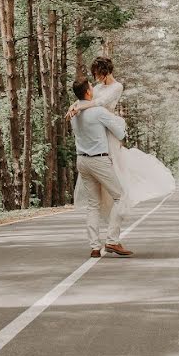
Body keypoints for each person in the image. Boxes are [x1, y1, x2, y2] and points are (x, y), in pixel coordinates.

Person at [67, 57, 176, 219]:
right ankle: (108, 210)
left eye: (97, 73)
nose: (95, 77)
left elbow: (100, 102)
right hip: (97, 129)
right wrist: (72, 107)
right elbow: (81, 99)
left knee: (114, 168)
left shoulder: (117, 87)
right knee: (100, 172)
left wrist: (79, 107)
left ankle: (118, 207)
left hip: (108, 128)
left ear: (106, 71)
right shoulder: (96, 87)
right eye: (94, 74)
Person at [69, 77, 135, 258]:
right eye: (91, 87)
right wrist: (118, 120)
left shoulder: (73, 114)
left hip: (81, 161)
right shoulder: (98, 112)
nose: (94, 88)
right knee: (120, 196)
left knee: (93, 205)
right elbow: (120, 133)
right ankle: (112, 240)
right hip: (99, 160)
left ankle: (94, 247)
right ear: (88, 92)